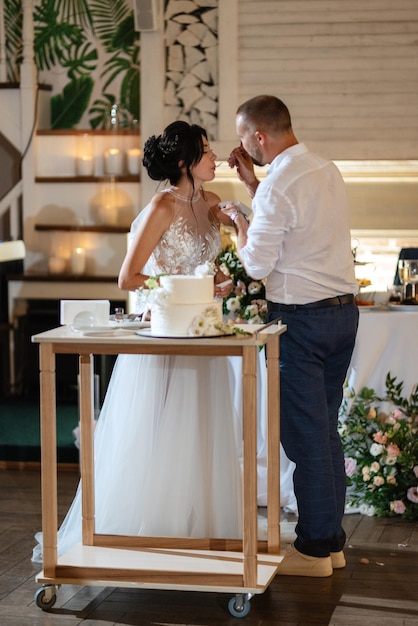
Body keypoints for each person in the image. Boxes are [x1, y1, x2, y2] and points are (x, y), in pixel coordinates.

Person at [32, 121, 243, 562]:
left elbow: (214, 265)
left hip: (203, 335)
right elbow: (128, 276)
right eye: (205, 151)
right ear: (184, 162)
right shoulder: (161, 208)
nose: (214, 156)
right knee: (158, 429)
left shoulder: (212, 203)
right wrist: (184, 284)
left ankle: (195, 531)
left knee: (201, 428)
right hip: (164, 335)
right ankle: (146, 532)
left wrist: (219, 281)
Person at [222, 95, 359, 577]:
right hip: (342, 317)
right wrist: (253, 186)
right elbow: (294, 227)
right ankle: (334, 544)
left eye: (243, 139)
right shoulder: (325, 169)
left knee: (306, 440)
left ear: (259, 136)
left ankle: (315, 550)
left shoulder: (279, 185)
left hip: (300, 321)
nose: (240, 147)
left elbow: (257, 264)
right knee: (324, 430)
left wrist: (239, 219)